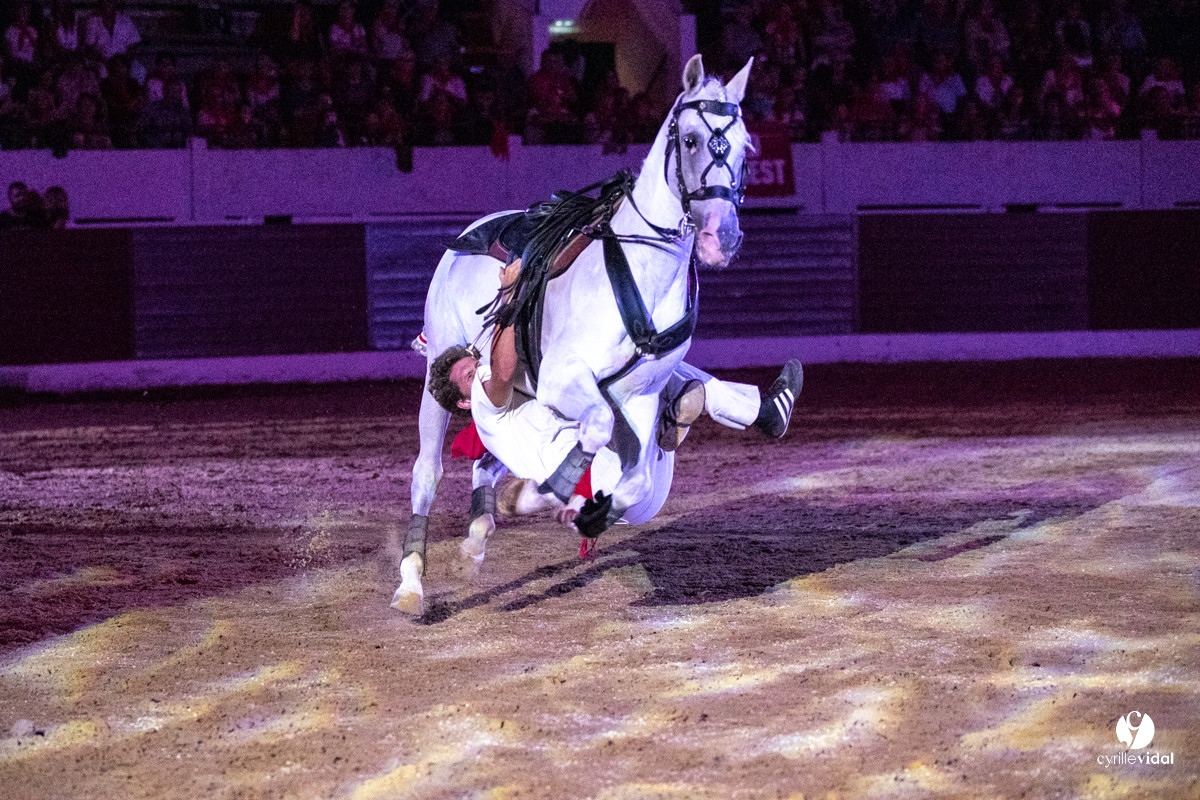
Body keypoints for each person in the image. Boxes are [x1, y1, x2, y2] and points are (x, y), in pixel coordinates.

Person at [427, 262, 803, 534]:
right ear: (463, 403)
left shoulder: (517, 406)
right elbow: (504, 368)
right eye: (469, 374)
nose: (478, 367)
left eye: (473, 361)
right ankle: (701, 411)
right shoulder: (486, 402)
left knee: (646, 366)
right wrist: (510, 295)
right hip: (608, 483)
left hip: (635, 497)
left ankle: (700, 413)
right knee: (635, 370)